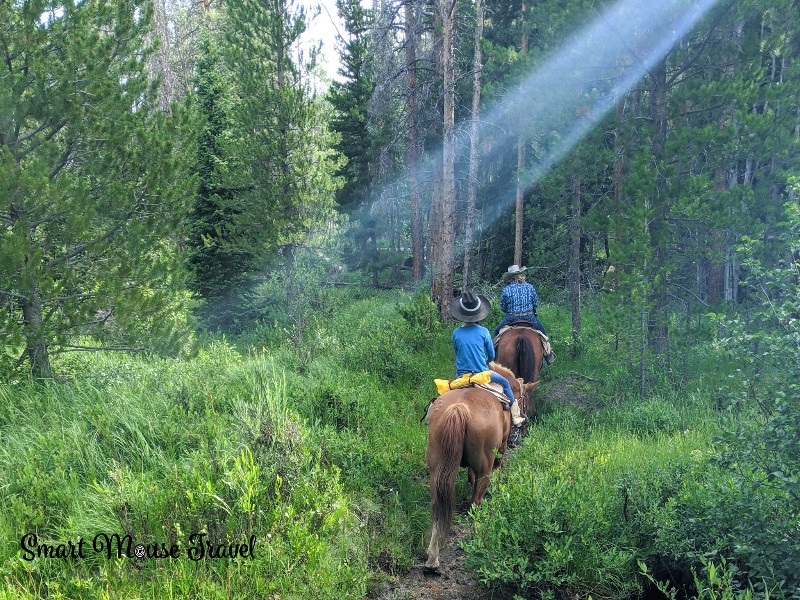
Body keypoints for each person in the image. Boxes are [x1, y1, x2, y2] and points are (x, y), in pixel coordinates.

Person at [450, 290, 526, 427]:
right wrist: (485, 359)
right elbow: (491, 355)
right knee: (505, 383)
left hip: (462, 375)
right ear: (478, 313)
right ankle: (515, 417)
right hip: (482, 374)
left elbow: (457, 353)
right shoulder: (484, 331)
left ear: (461, 314)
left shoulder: (456, 333)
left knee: (450, 390)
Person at [493, 264, 556, 365]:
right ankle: (548, 356)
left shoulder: (506, 290)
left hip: (511, 318)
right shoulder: (530, 287)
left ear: (510, 278)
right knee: (543, 333)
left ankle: (492, 356)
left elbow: (502, 307)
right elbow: (535, 303)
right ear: (520, 275)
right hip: (529, 317)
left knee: (496, 332)